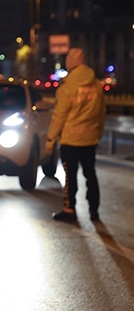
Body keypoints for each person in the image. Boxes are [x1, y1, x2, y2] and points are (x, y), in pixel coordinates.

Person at [46, 48, 106, 222]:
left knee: (70, 176)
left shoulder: (67, 87)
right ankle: (93, 210)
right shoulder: (96, 85)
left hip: (70, 140)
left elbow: (60, 115)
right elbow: (101, 112)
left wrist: (51, 138)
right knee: (90, 174)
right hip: (89, 139)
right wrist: (98, 132)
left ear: (71, 62)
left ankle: (69, 209)